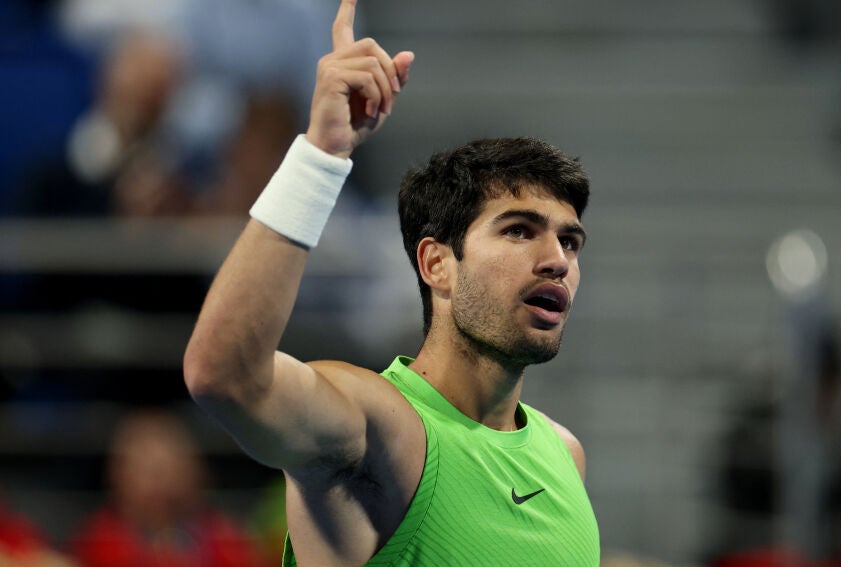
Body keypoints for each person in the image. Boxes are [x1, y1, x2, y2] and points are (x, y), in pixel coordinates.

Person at [182, 0, 600, 565]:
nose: (556, 260)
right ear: (436, 264)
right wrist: (321, 154)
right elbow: (224, 376)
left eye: (569, 241)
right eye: (519, 231)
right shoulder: (378, 427)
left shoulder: (565, 455)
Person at [71, 409, 263, 567]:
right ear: (115, 473)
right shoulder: (96, 543)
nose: (159, 480)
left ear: (198, 470)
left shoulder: (227, 541)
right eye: (146, 468)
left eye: (169, 464)